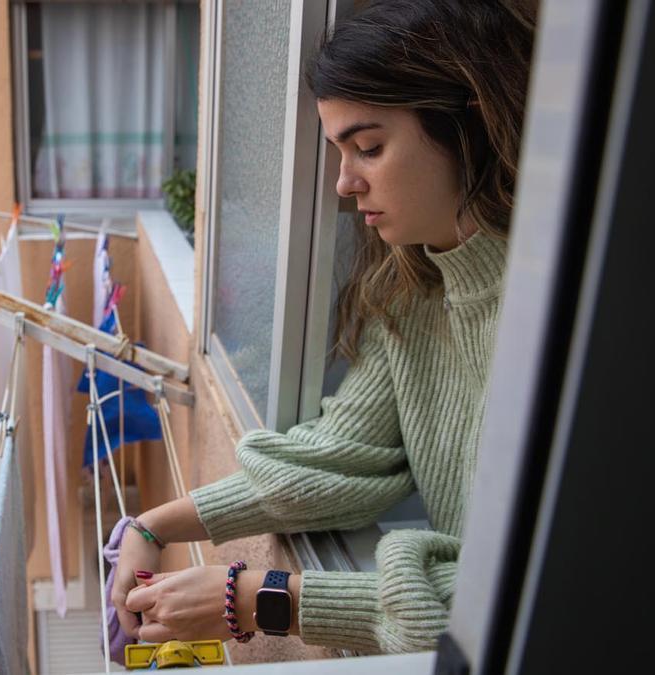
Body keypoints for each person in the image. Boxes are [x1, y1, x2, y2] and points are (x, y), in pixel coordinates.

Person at [113, 0, 536, 654]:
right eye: (341, 150)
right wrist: (151, 525)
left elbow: (529, 596)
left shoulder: (570, 323)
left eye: (368, 146)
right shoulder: (417, 296)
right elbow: (338, 457)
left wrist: (263, 596)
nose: (344, 183)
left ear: (471, 123)